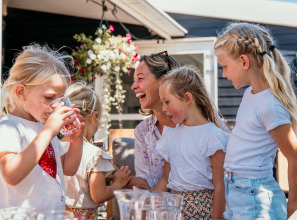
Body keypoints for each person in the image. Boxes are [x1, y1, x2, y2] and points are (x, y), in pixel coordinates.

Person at [214, 22, 297, 219]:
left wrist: (293, 204)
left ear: (244, 61)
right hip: (237, 190)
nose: (224, 74)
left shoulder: (270, 106)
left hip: (255, 197)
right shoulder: (249, 94)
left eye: (225, 67)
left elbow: (296, 159)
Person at [0, 44, 85, 210]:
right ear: (21, 93)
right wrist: (48, 131)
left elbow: (68, 168)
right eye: (49, 97)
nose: (56, 105)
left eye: (61, 98)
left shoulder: (44, 127)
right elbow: (11, 174)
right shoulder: (8, 127)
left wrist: (76, 139)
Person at [153, 65, 230, 219]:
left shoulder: (213, 137)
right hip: (174, 210)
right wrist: (147, 206)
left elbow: (220, 186)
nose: (163, 108)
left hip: (204, 212)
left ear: (187, 98)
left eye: (167, 102)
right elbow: (165, 179)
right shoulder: (170, 134)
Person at [60, 82, 132, 219]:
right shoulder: (94, 154)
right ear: (94, 117)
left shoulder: (57, 146)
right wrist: (118, 183)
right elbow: (99, 195)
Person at [127, 51, 181, 190]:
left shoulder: (196, 122)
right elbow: (148, 183)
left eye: (140, 78)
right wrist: (118, 179)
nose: (133, 86)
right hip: (159, 208)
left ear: (164, 81)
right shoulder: (142, 131)